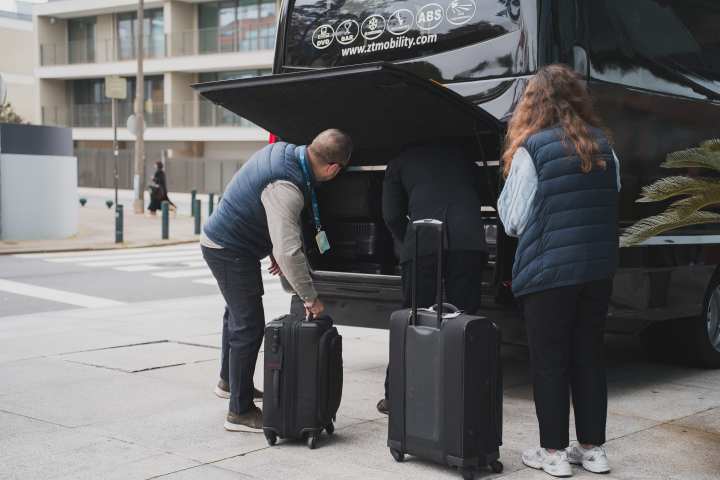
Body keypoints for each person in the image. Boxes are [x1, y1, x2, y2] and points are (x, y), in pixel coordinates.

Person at [497, 64, 621, 477]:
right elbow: (610, 200)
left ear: (532, 104)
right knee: (588, 355)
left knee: (550, 361)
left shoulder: (533, 149)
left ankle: (552, 452)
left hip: (548, 272)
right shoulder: (605, 146)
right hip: (596, 269)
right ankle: (592, 449)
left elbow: (514, 220)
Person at [201, 129, 353, 432]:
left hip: (225, 238)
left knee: (236, 314)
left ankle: (229, 383)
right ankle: (240, 411)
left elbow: (263, 207)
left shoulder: (286, 151)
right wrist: (310, 297)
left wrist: (270, 245)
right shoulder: (287, 185)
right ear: (334, 168)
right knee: (249, 324)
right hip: (229, 248)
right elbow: (289, 250)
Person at [377, 140, 489, 415]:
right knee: (464, 319)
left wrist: (410, 242)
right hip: (468, 240)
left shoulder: (400, 161)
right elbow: (486, 194)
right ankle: (464, 393)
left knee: (413, 318)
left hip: (423, 239)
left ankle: (397, 395)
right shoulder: (462, 156)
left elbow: (391, 214)